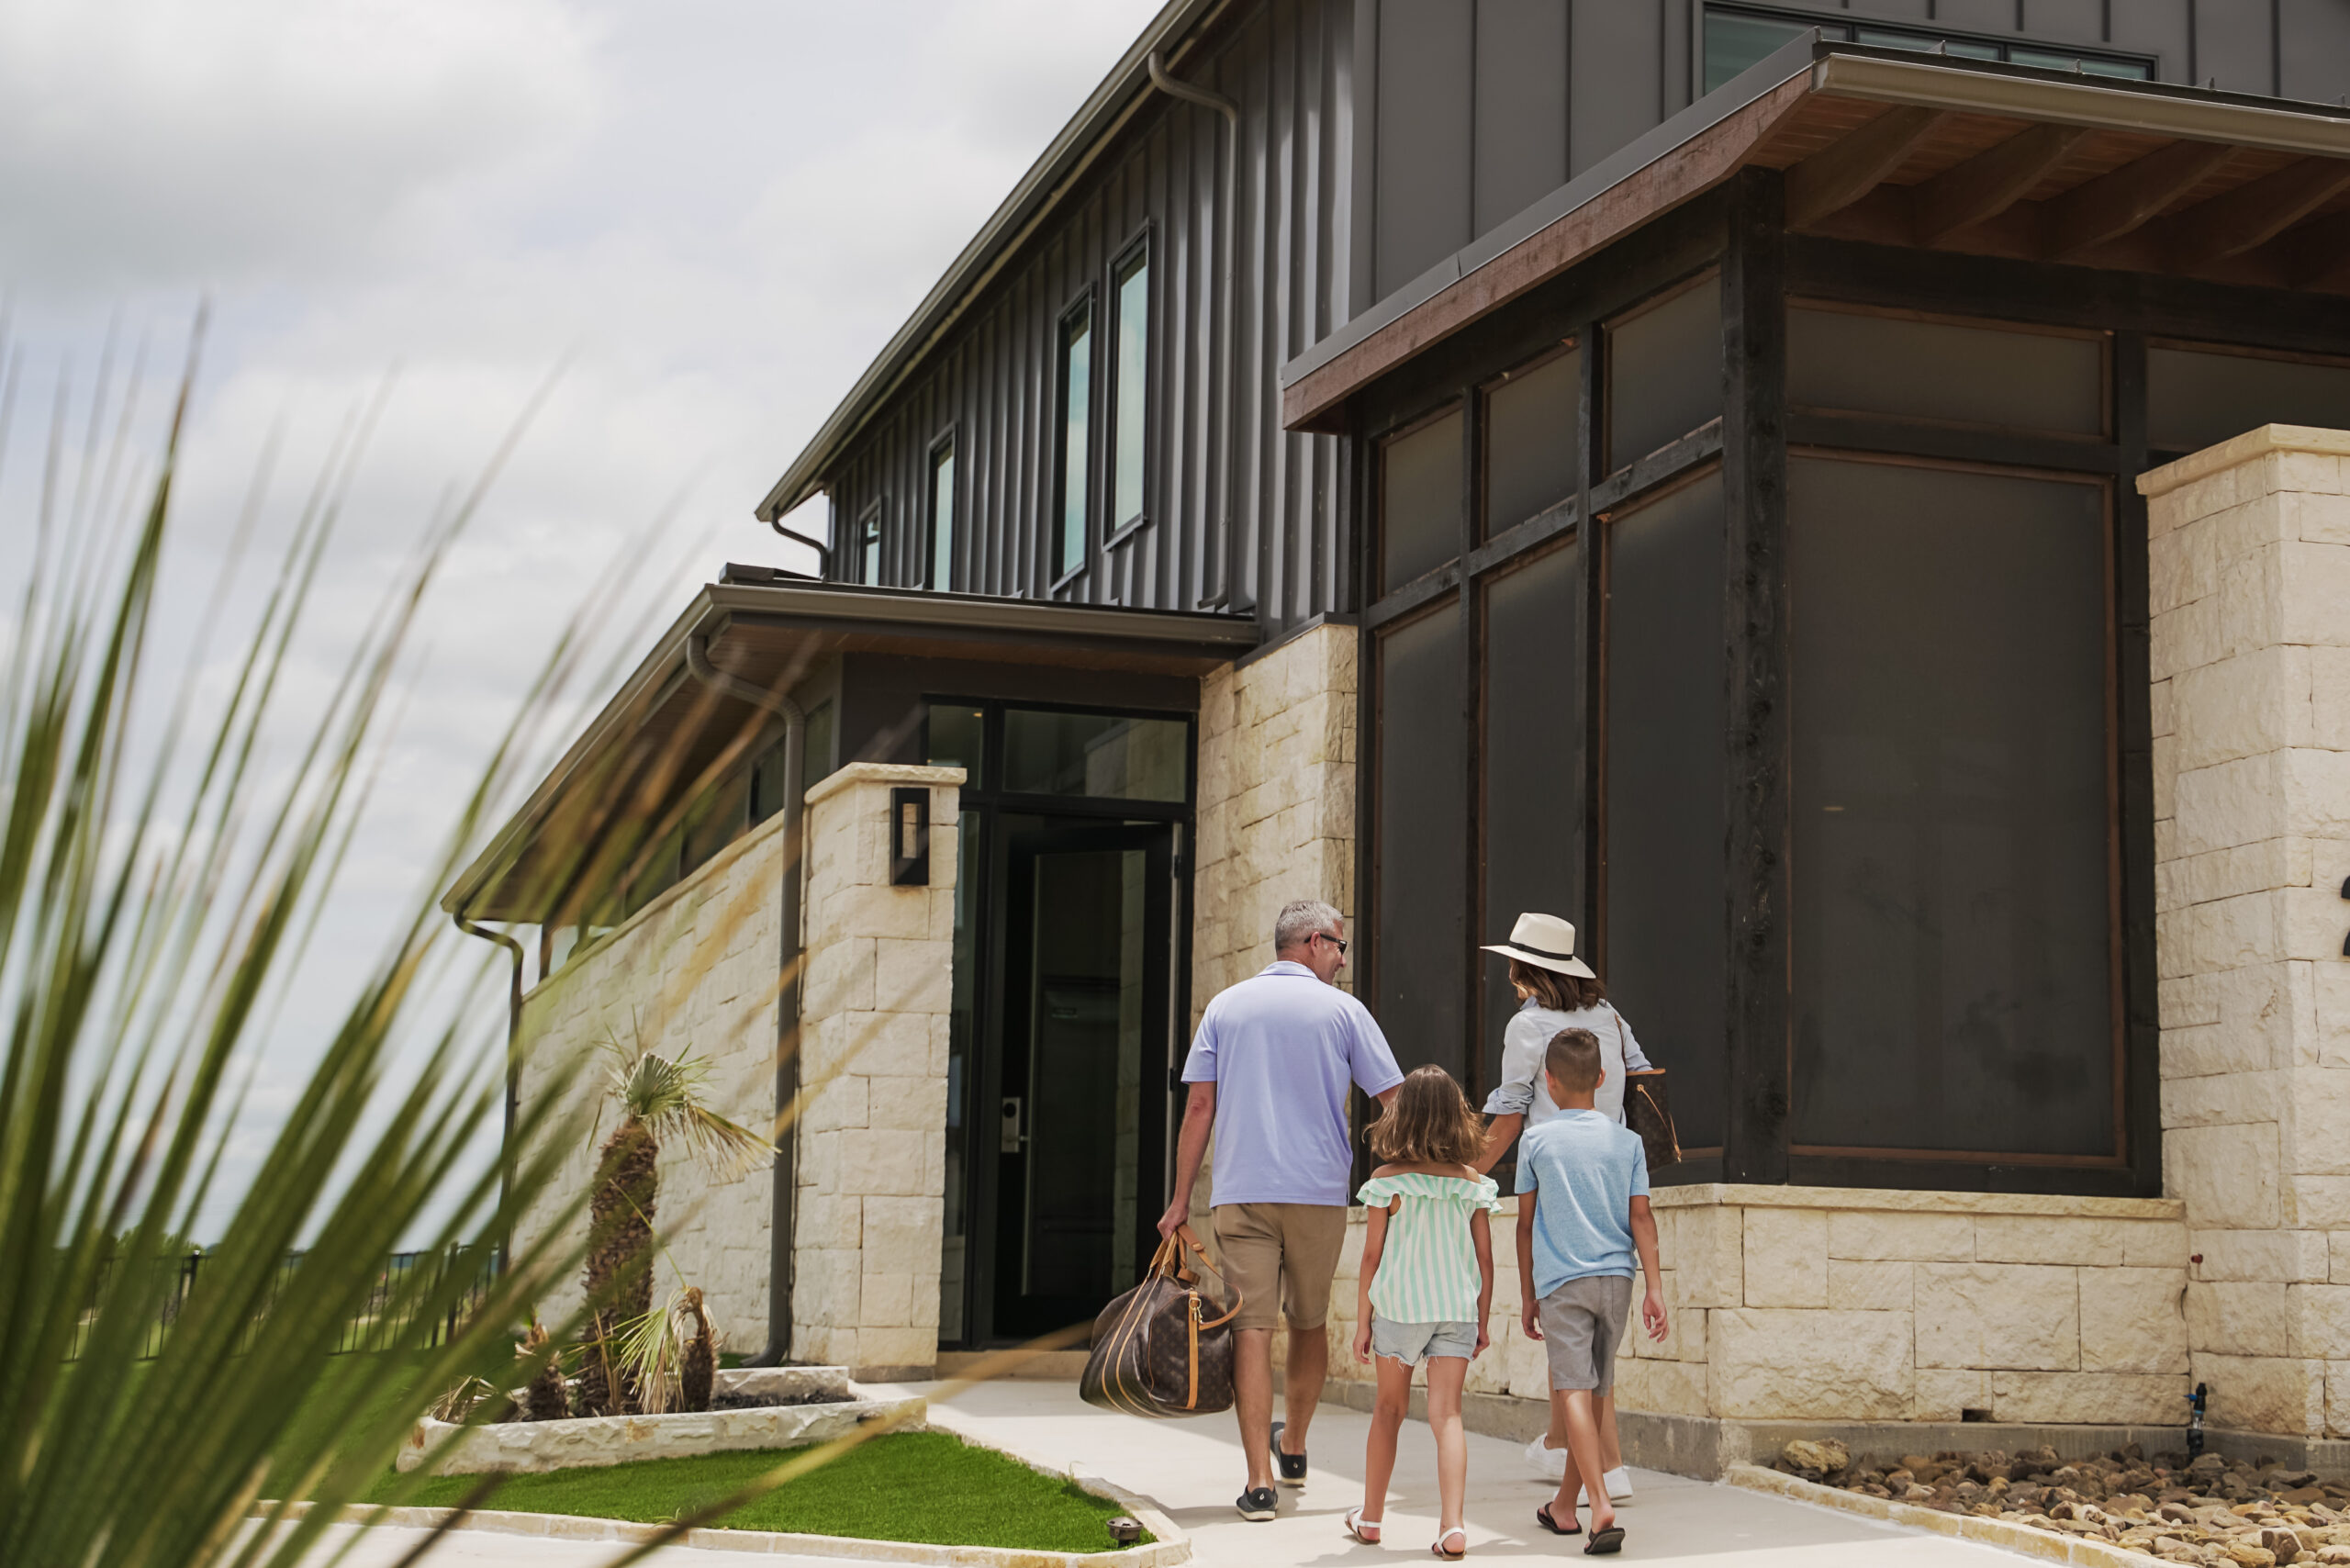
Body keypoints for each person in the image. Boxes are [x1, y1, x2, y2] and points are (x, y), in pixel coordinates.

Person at [1159, 899, 1404, 1523]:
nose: (1344, 960)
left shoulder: (1225, 1007)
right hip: (1320, 1193)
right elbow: (1396, 1099)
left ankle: (1260, 1483)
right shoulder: (1344, 1012)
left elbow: (1198, 1110)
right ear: (1314, 943)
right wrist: (1391, 1175)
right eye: (1341, 947)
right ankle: (1293, 1443)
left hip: (1243, 1193)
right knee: (1310, 1321)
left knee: (1252, 1329)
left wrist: (1180, 1199)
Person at [1474, 911, 1652, 1499]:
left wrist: (1462, 1173)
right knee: (1578, 1330)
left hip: (1558, 1182)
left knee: (1567, 1312)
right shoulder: (1610, 1017)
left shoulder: (1527, 1029)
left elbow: (1506, 1118)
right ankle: (1560, 1446)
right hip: (1613, 1174)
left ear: (1525, 968)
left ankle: (1610, 1467)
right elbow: (1642, 1076)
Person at [1516, 1027, 1666, 1556]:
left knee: (1573, 1391)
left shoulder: (1535, 1141)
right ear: (1602, 1080)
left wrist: (1528, 1293)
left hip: (1563, 1282)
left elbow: (1524, 1224)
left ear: (1549, 1084)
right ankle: (1563, 1506)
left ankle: (1598, 1505)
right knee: (1597, 1391)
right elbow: (1642, 1218)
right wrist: (1655, 1288)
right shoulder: (1628, 1142)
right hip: (1619, 1282)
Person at [1344, 1066, 1500, 1561]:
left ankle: (1370, 1518)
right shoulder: (1472, 1184)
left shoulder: (1386, 1182)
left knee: (1388, 1412)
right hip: (1455, 1311)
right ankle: (1452, 1526)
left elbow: (1372, 1257)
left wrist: (1364, 1322)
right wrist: (1483, 1319)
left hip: (1400, 1310)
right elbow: (1485, 1259)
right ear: (1458, 1119)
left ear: (1402, 1118)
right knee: (1448, 1416)